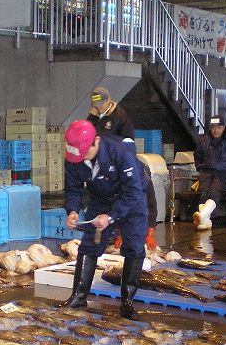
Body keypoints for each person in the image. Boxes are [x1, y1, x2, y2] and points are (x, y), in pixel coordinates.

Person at [60, 120, 148, 320]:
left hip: (131, 198)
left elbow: (133, 192)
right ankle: (79, 296)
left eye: (84, 154)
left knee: (134, 245)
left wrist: (110, 217)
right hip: (100, 198)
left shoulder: (120, 151)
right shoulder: (74, 157)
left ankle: (127, 302)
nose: (80, 158)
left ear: (96, 142)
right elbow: (73, 190)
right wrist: (72, 211)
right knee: (90, 244)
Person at [87, 86, 157, 249]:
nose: (98, 108)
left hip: (121, 162)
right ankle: (115, 230)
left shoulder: (120, 116)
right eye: (95, 106)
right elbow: (88, 134)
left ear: (109, 100)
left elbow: (128, 144)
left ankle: (148, 228)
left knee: (141, 187)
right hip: (101, 164)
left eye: (100, 105)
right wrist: (92, 115)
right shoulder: (96, 116)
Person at [191, 115, 226, 231]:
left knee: (215, 191)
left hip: (224, 173)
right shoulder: (203, 140)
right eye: (213, 127)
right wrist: (200, 168)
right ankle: (206, 221)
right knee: (204, 193)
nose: (216, 130)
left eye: (218, 127)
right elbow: (197, 156)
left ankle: (203, 216)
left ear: (223, 127)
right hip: (206, 172)